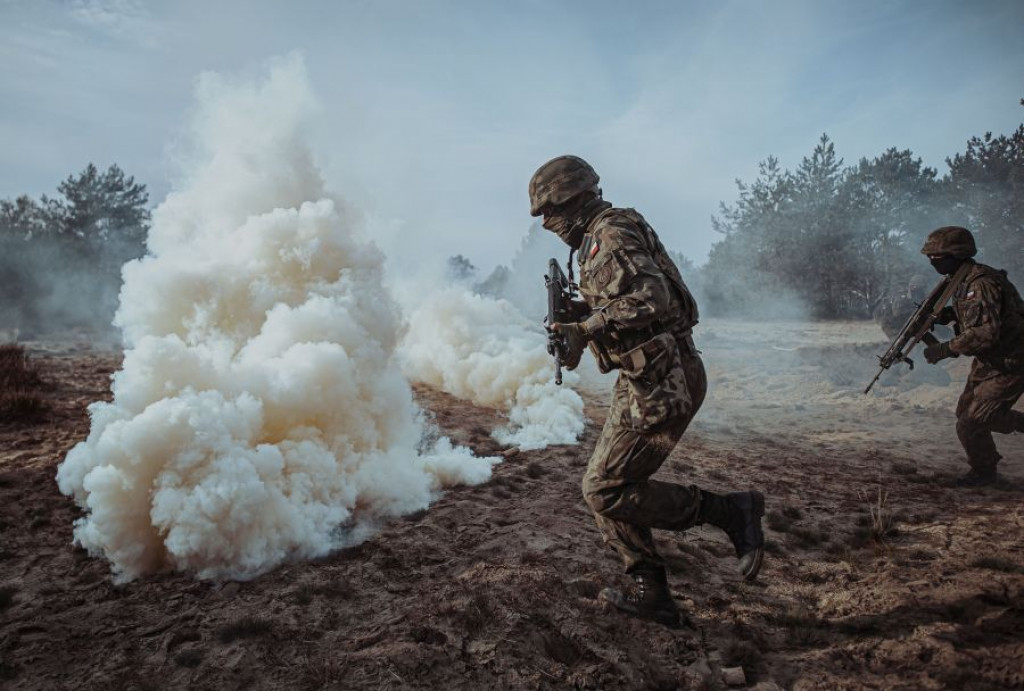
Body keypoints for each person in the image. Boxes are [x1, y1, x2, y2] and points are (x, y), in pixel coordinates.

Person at [528, 155, 765, 628]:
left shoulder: (609, 236)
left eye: (550, 214)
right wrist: (577, 320)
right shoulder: (600, 237)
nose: (549, 226)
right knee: (606, 483)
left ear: (574, 200)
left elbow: (652, 298)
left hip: (665, 380)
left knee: (604, 488)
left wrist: (588, 326)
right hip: (646, 377)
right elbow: (624, 300)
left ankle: (728, 512)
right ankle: (651, 589)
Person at [920, 226, 1024, 487]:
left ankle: (984, 472)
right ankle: (985, 470)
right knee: (965, 416)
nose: (932, 261)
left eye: (937, 257)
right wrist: (949, 315)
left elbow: (986, 332)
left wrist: (944, 349)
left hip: (1012, 361)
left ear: (956, 255)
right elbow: (976, 314)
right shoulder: (961, 280)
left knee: (974, 420)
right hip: (991, 360)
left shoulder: (980, 283)